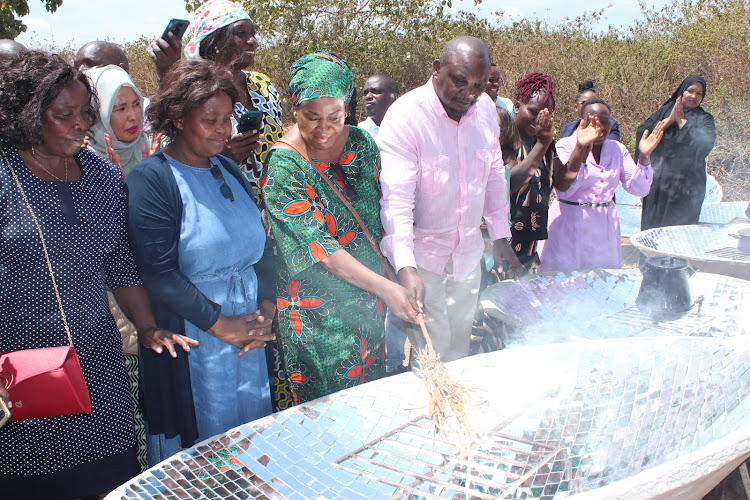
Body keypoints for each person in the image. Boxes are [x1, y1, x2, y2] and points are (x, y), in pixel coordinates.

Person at [0, 51, 180, 499]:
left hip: (96, 366)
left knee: (111, 481)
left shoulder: (101, 175)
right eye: (65, 115)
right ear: (26, 115)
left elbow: (119, 260)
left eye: (84, 113)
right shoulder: (4, 172)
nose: (83, 124)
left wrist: (147, 326)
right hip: (20, 371)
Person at [127, 59, 276, 465]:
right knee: (203, 449)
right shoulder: (152, 180)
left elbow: (261, 245)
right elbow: (158, 273)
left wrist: (265, 309)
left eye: (228, 119)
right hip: (197, 336)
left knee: (251, 440)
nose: (224, 130)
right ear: (177, 118)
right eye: (211, 120)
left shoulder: (228, 168)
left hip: (247, 333)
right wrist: (222, 324)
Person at [263, 52, 419, 404]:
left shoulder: (363, 145)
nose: (323, 128)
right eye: (311, 117)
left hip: (368, 307)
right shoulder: (284, 166)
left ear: (347, 108)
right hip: (317, 316)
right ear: (294, 109)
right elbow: (321, 249)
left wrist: (403, 272)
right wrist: (386, 288)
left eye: (333, 116)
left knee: (368, 402)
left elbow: (384, 215)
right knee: (329, 415)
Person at [378, 36, 522, 364]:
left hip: (468, 256)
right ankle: (433, 412)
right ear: (437, 69)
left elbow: (494, 174)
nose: (469, 93)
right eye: (459, 81)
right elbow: (396, 201)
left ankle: (456, 413)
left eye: (479, 84)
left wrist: (501, 238)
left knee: (460, 348)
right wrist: (406, 266)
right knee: (433, 351)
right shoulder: (405, 117)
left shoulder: (485, 110)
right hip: (423, 258)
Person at [152, 0, 283, 203]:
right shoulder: (195, 93)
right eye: (241, 33)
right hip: (222, 203)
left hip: (275, 206)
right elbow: (175, 155)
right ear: (215, 41)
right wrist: (223, 156)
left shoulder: (263, 85)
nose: (253, 41)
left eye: (253, 33)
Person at [538, 98, 665, 271]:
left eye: (605, 122)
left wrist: (644, 157)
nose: (600, 127)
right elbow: (564, 191)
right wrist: (581, 150)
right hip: (569, 225)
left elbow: (639, 189)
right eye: (593, 121)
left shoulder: (617, 149)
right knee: (564, 284)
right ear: (582, 121)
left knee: (599, 285)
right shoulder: (565, 145)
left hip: (604, 229)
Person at [637, 75, 716, 230]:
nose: (693, 96)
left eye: (699, 93)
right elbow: (643, 131)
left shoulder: (705, 119)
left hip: (686, 188)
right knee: (653, 231)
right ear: (682, 90)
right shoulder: (665, 111)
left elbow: (704, 145)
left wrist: (681, 122)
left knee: (679, 233)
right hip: (659, 184)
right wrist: (668, 121)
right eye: (690, 91)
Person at [507, 72, 556, 271]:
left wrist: (582, 147)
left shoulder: (545, 145)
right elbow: (511, 182)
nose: (539, 120)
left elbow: (563, 184)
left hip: (530, 248)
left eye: (546, 114)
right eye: (534, 112)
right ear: (517, 105)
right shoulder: (503, 140)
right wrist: (542, 144)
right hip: (502, 248)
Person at [84, 64, 150, 174]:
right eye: (121, 109)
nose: (133, 117)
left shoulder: (149, 149)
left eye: (136, 104)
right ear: (98, 114)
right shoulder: (79, 164)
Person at [358, 74, 399, 138]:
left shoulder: (407, 131)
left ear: (394, 98)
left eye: (375, 91)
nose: (368, 96)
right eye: (365, 93)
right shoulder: (355, 135)